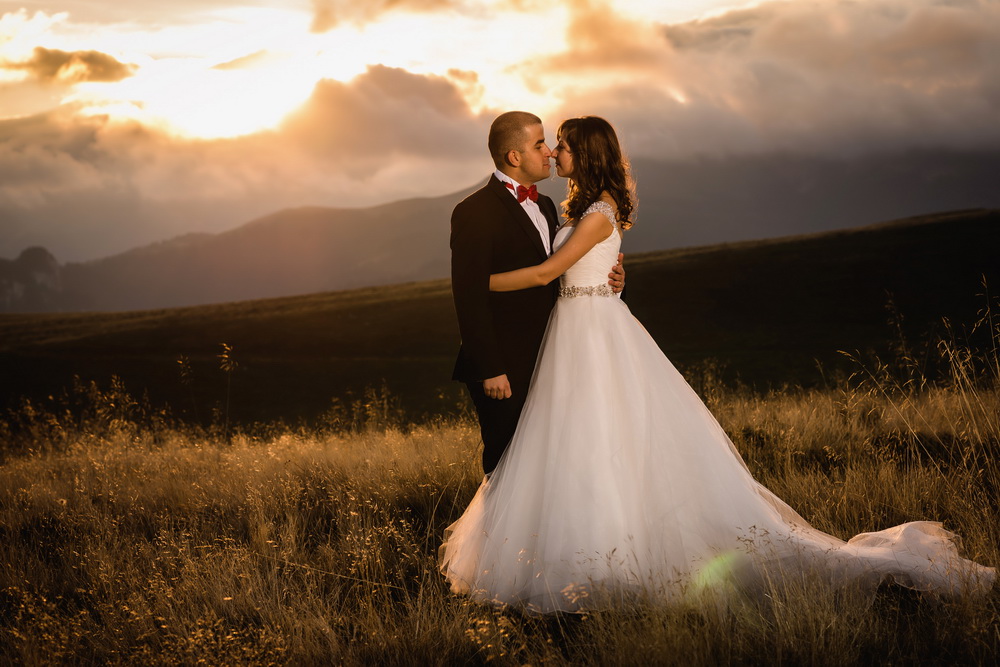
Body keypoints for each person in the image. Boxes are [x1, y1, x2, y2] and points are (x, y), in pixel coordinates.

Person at [440, 116, 995, 614]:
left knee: (601, 439)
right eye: (545, 145)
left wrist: (485, 284)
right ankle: (562, 552)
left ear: (583, 156)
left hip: (590, 334)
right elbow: (569, 267)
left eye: (559, 147)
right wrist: (607, 277)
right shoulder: (557, 208)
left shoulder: (589, 211)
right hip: (566, 335)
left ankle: (604, 560)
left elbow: (545, 273)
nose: (553, 153)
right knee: (567, 443)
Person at [450, 111, 624, 475]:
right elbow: (468, 300)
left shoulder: (546, 205)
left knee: (549, 462)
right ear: (515, 157)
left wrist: (614, 279)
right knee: (506, 461)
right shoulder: (474, 211)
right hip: (504, 364)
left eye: (552, 144)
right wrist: (491, 368)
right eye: (540, 143)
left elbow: (563, 268)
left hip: (555, 353)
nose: (548, 152)